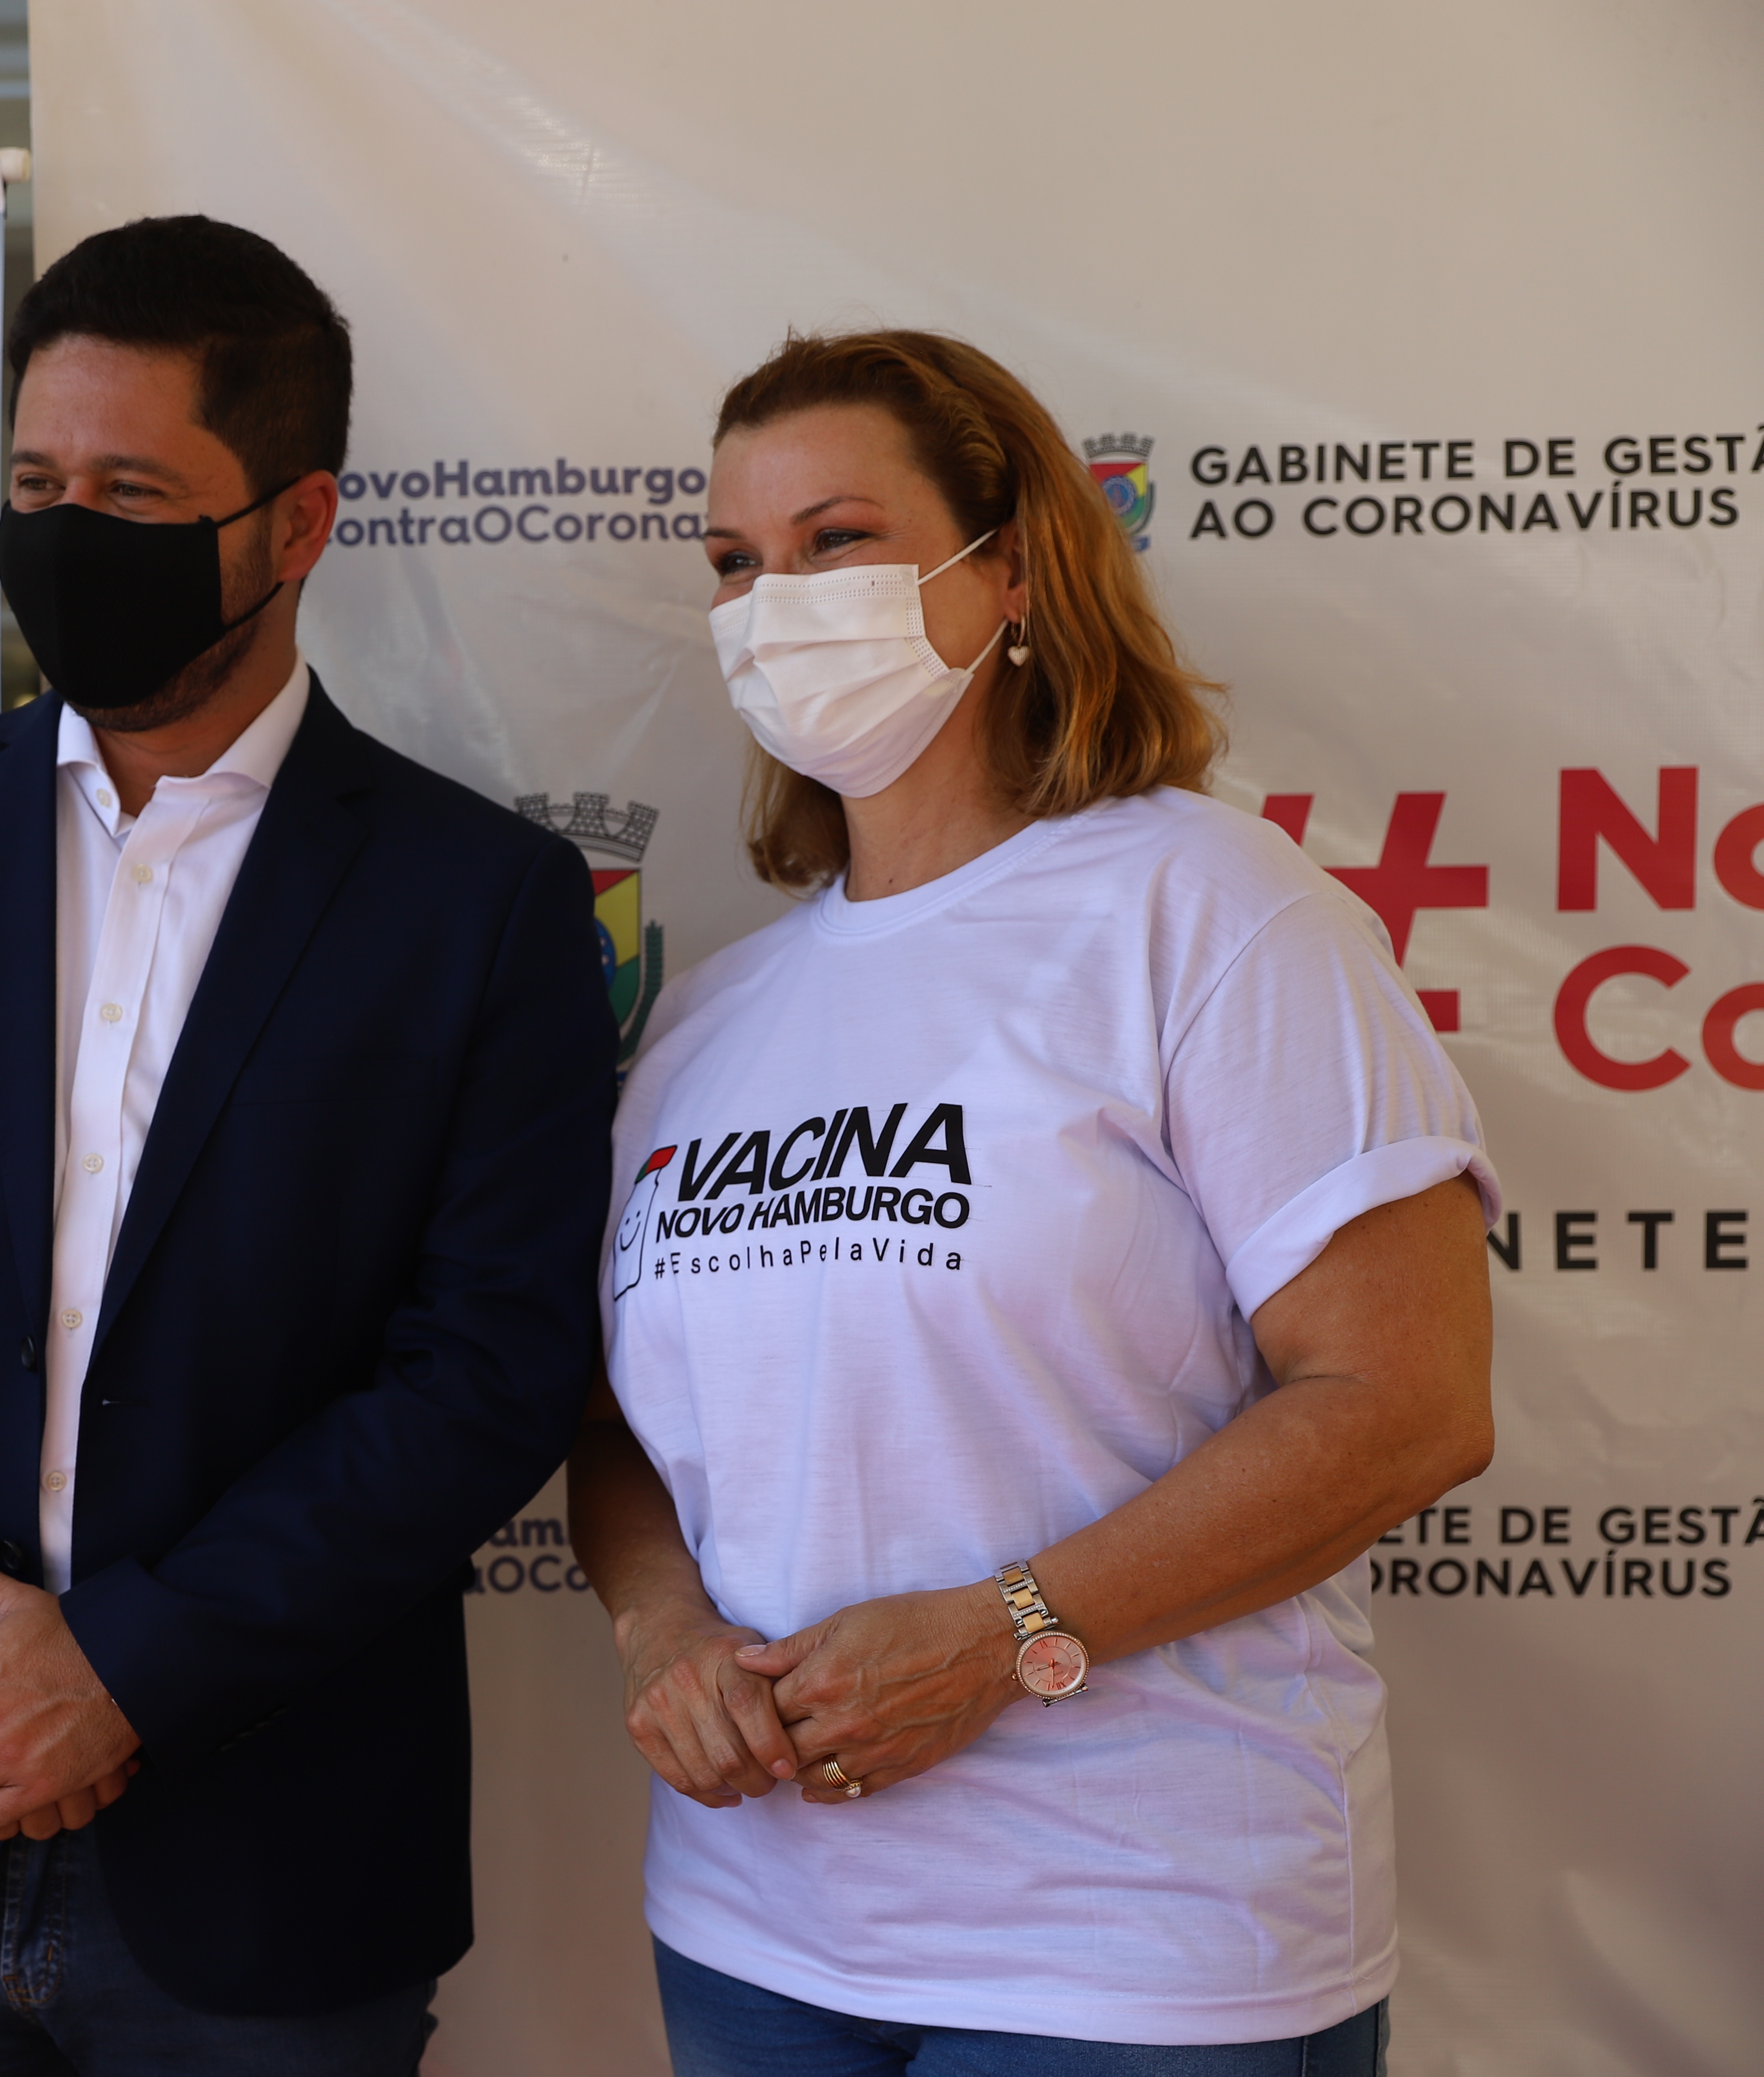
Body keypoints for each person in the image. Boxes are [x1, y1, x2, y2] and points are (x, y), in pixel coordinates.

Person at [0, 215, 618, 2076]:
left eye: (131, 492)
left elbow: (490, 1367)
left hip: (269, 1873)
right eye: (37, 484)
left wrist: (126, 1674)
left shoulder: (481, 902)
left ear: (298, 522)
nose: (66, 530)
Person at [571, 330, 1496, 2076]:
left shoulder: (1209, 911)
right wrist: (661, 1629)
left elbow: (1408, 1401)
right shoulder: (709, 1020)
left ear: (1011, 571)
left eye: (838, 541)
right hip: (756, 1933)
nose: (776, 605)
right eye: (735, 563)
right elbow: (624, 1428)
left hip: (1140, 1946)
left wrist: (1003, 1640)